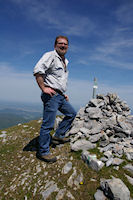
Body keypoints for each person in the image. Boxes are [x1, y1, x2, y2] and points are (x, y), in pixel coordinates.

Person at [33, 35, 76, 163]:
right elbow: (38, 70)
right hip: (51, 96)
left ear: (68, 46)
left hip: (60, 95)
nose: (63, 46)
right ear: (55, 45)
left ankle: (58, 136)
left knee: (71, 114)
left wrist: (62, 93)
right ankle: (43, 152)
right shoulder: (50, 55)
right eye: (60, 43)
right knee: (48, 125)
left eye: (65, 44)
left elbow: (58, 80)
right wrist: (43, 88)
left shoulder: (65, 61)